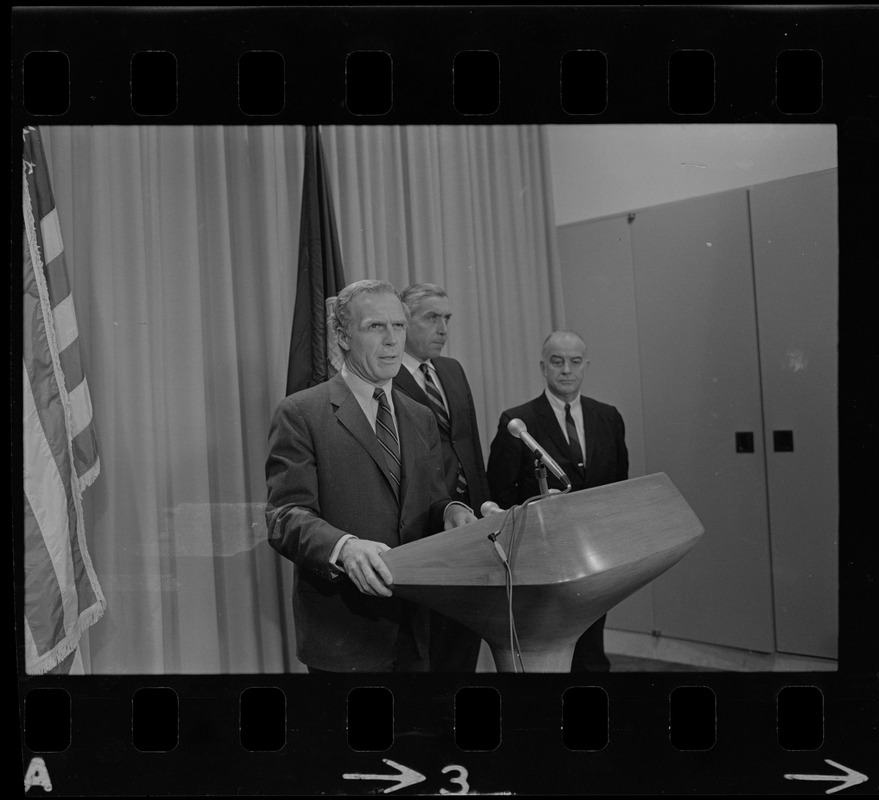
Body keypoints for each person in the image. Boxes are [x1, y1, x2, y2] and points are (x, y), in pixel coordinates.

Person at [265, 280, 477, 673]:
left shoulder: (420, 416)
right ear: (343, 336)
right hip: (344, 634)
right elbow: (284, 516)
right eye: (375, 327)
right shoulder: (301, 413)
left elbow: (431, 500)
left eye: (398, 326)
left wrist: (452, 511)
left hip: (415, 629)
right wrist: (344, 547)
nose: (392, 341)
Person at [486, 330, 629, 672]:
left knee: (591, 650)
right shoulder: (518, 423)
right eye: (557, 361)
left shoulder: (608, 417)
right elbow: (500, 493)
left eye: (575, 362)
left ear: (586, 366)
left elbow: (618, 486)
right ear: (543, 367)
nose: (566, 369)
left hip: (595, 554)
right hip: (543, 557)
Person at [393, 283, 491, 672]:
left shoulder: (451, 370)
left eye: (447, 318)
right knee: (429, 642)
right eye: (431, 318)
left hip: (470, 523)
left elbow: (469, 445)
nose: (443, 328)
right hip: (424, 524)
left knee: (467, 633)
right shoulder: (387, 375)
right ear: (404, 321)